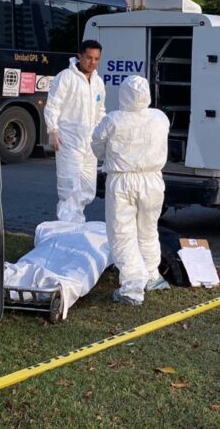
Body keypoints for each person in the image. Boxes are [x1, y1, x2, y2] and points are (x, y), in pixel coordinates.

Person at [91, 75, 170, 306]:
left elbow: (96, 144)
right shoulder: (159, 118)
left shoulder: (113, 120)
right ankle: (151, 275)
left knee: (122, 234)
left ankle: (132, 289)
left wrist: (108, 157)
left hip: (122, 181)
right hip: (153, 181)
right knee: (148, 230)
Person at [44, 40, 107, 224]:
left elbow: (100, 110)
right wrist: (53, 129)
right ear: (79, 56)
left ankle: (77, 223)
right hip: (68, 140)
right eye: (89, 57)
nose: (92, 62)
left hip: (89, 143)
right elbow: (53, 105)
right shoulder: (66, 77)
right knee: (69, 186)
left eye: (96, 59)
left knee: (87, 187)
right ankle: (66, 226)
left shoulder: (97, 81)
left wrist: (101, 135)